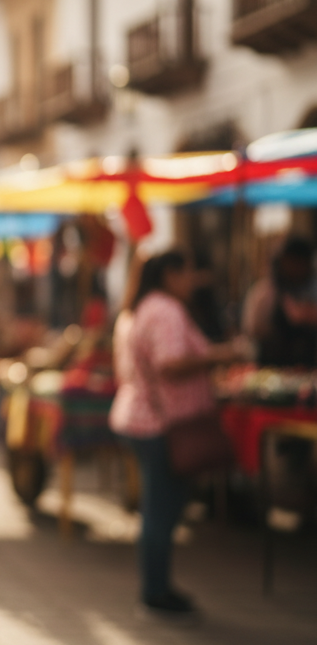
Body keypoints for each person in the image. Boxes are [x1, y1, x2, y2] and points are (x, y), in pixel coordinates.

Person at [109, 250, 241, 617]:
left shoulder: (145, 308)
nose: (193, 280)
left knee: (159, 509)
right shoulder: (164, 311)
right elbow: (170, 364)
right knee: (161, 510)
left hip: (142, 416)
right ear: (170, 274)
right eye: (188, 271)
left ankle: (157, 586)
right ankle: (155, 589)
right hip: (160, 422)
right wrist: (221, 355)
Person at [242, 235, 317, 366]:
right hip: (270, 370)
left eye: (301, 263)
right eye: (292, 262)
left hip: (309, 368)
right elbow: (251, 331)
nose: (296, 268)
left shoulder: (312, 289)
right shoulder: (264, 292)